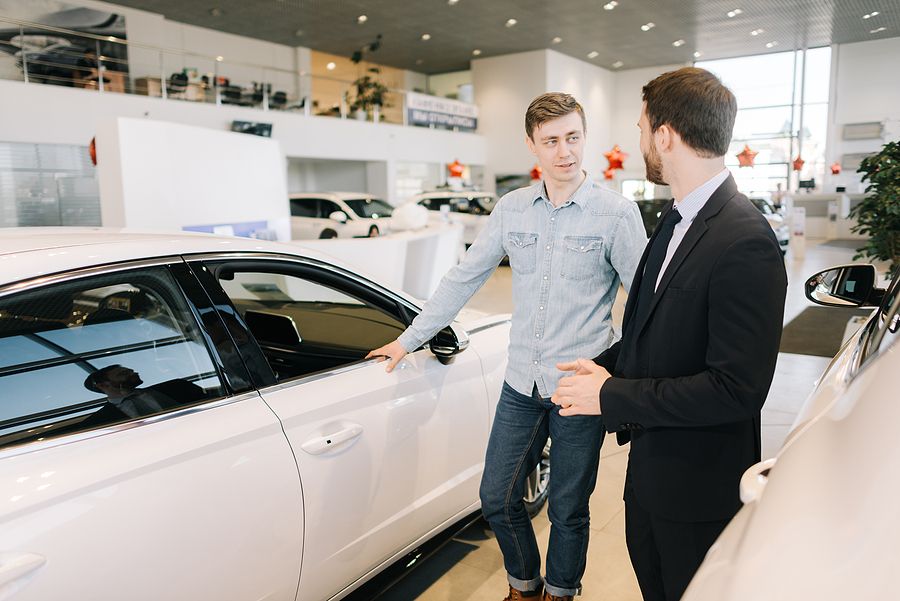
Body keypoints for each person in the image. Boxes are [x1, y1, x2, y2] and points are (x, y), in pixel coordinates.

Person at [367, 92, 646, 601]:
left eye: (573, 138)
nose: (564, 152)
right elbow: (462, 278)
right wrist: (408, 341)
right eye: (551, 141)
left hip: (578, 389)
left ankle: (561, 592)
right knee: (495, 497)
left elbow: (649, 308)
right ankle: (525, 586)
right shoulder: (512, 209)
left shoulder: (616, 214)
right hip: (522, 381)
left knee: (568, 508)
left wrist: (616, 373)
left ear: (585, 137)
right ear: (531, 146)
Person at [550, 67, 788, 601]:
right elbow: (652, 330)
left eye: (640, 130)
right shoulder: (675, 220)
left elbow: (737, 388)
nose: (639, 143)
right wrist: (607, 365)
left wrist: (610, 394)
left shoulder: (744, 239)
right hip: (651, 478)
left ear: (665, 135)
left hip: (698, 493)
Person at [83, 364, 205, 425]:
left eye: (131, 371)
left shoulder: (178, 386)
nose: (134, 373)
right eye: (124, 373)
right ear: (103, 385)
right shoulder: (98, 422)